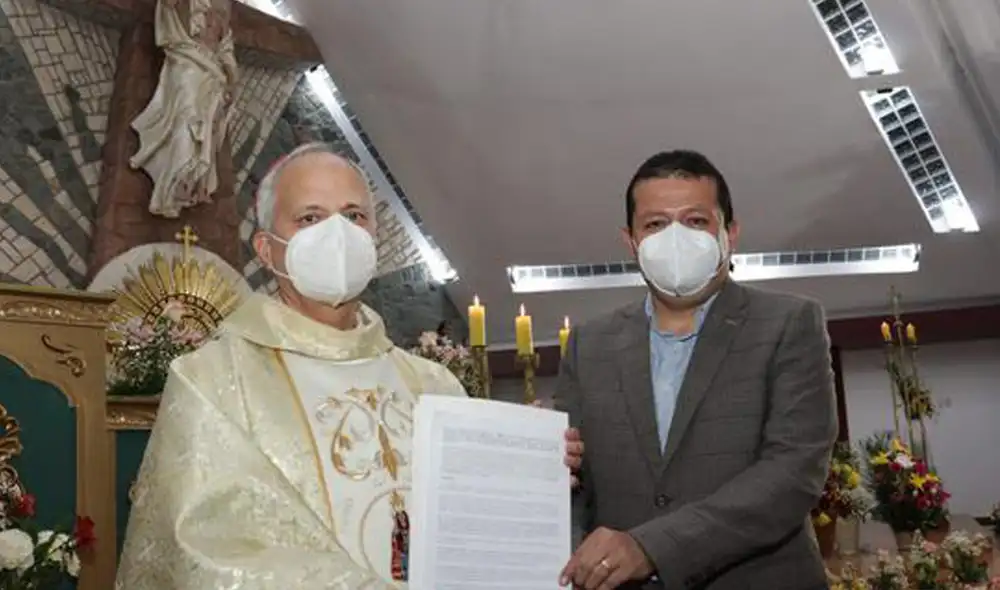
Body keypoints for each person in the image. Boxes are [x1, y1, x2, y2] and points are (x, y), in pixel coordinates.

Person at [115, 142, 584, 589]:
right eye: (310, 218)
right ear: (265, 247)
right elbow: (209, 553)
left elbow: (473, 523)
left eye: (354, 216)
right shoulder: (212, 380)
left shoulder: (432, 384)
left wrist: (534, 473)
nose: (337, 235)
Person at [555, 150, 836, 590]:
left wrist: (651, 546)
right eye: (655, 224)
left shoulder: (789, 324)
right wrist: (542, 457)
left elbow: (792, 474)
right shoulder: (588, 344)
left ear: (730, 233)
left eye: (696, 221)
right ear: (631, 242)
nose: (676, 238)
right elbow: (572, 487)